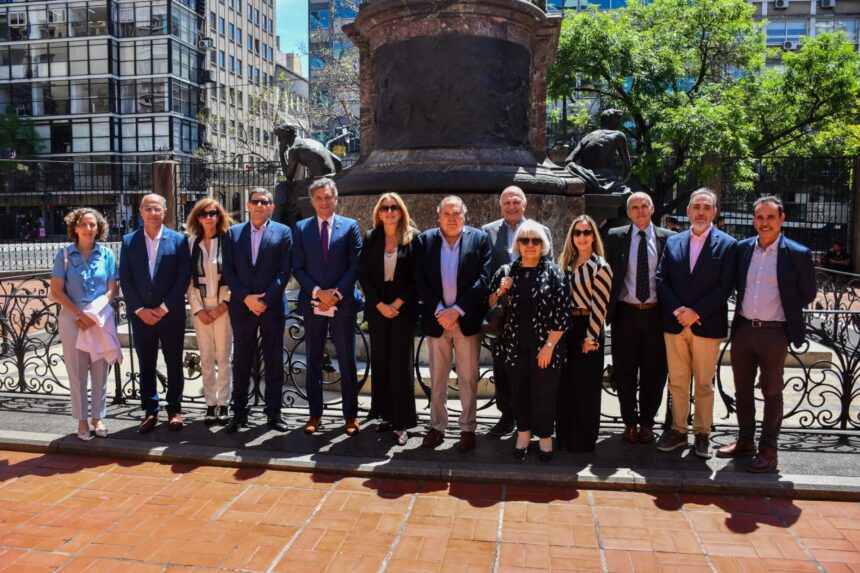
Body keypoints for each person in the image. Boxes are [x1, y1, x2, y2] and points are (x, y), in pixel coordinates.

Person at [717, 196, 816, 472]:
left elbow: (808, 293)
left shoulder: (797, 253)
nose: (765, 223)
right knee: (742, 389)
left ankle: (769, 450)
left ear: (782, 219)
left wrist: (785, 310)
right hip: (744, 330)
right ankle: (745, 441)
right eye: (760, 217)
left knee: (771, 391)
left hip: (774, 333)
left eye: (770, 217)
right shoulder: (742, 249)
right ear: (753, 220)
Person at [655, 188, 737, 458]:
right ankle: (678, 430)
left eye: (706, 207)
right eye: (697, 207)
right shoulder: (673, 242)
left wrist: (696, 312)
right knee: (677, 381)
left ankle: (702, 434)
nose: (701, 212)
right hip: (675, 322)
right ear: (688, 211)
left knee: (703, 383)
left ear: (714, 212)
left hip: (706, 324)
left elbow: (725, 286)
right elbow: (661, 279)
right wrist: (679, 310)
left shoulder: (728, 244)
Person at [414, 196, 491, 452]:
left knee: (468, 378)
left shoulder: (479, 239)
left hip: (466, 320)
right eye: (446, 213)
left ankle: (468, 428)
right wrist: (441, 311)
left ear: (464, 215)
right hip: (437, 320)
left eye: (456, 213)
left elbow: (483, 279)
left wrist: (456, 311)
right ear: (438, 216)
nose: (451, 218)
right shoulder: (425, 240)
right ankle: (437, 425)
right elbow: (420, 280)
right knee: (438, 376)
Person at [488, 221, 568, 461]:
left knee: (544, 394)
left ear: (543, 245)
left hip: (545, 347)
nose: (530, 245)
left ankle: (544, 437)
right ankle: (523, 434)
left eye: (536, 241)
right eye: (525, 240)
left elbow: (562, 314)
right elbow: (488, 304)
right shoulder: (506, 271)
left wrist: (549, 346)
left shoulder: (554, 272)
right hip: (513, 346)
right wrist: (500, 291)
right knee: (518, 393)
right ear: (518, 244)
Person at [293, 177, 363, 436]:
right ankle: (315, 414)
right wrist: (318, 293)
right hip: (313, 303)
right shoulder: (301, 228)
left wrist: (336, 294)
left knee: (347, 361)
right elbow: (297, 266)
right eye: (319, 198)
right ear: (312, 201)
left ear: (336, 198)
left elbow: (355, 264)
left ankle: (351, 416)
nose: (324, 202)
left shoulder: (350, 226)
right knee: (313, 360)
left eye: (328, 197)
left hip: (342, 304)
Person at [481, 186, 553, 436]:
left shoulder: (540, 230)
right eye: (507, 202)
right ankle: (506, 415)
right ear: (500, 205)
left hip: (533, 312)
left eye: (516, 202)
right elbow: (485, 270)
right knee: (502, 367)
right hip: (502, 313)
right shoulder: (487, 232)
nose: (511, 206)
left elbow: (548, 267)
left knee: (532, 368)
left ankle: (531, 419)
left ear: (525, 204)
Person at [604, 192, 675, 445]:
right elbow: (607, 273)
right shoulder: (615, 237)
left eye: (644, 206)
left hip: (656, 314)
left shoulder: (669, 239)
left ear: (652, 209)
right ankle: (630, 423)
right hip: (625, 313)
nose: (640, 210)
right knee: (625, 371)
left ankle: (647, 423)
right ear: (628, 212)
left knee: (654, 372)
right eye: (635, 207)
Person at [222, 188, 293, 433]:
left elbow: (285, 271)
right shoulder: (233, 233)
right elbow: (229, 271)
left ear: (272, 206)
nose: (260, 205)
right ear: (248, 205)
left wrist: (265, 299)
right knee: (241, 361)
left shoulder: (283, 232)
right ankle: (239, 412)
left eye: (265, 202)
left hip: (272, 307)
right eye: (255, 201)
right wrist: (246, 298)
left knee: (274, 361)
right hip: (242, 307)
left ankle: (274, 413)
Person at [120, 194, 191, 433]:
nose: (153, 213)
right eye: (148, 208)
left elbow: (183, 276)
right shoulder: (129, 241)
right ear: (141, 211)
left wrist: (164, 307)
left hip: (170, 314)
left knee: (174, 362)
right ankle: (151, 410)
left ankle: (174, 409)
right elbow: (126, 278)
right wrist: (140, 310)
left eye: (157, 208)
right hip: (141, 316)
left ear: (165, 211)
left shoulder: (179, 240)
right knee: (146, 362)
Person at [50, 208, 120, 441]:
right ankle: (82, 420)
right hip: (73, 320)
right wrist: (79, 314)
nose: (89, 229)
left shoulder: (107, 254)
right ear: (75, 228)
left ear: (99, 228)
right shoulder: (64, 255)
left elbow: (112, 290)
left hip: (99, 319)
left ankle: (97, 418)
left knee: (100, 370)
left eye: (93, 225)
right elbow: (56, 291)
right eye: (84, 224)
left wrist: (94, 313)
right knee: (77, 372)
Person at [357, 193, 419, 445]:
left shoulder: (413, 238)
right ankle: (385, 415)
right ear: (379, 213)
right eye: (385, 208)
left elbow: (417, 276)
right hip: (378, 307)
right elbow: (363, 273)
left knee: (400, 364)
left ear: (401, 211)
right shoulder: (371, 237)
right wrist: (379, 304)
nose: (390, 211)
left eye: (394, 207)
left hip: (403, 307)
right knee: (381, 361)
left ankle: (402, 422)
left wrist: (397, 303)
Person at [556, 215, 613, 452]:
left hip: (588, 327)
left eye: (586, 232)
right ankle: (565, 436)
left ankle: (583, 440)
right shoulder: (566, 262)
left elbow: (600, 306)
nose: (582, 237)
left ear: (593, 236)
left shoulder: (601, 266)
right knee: (566, 385)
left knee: (585, 387)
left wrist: (591, 338)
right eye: (577, 232)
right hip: (566, 328)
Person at [186, 198, 234, 426]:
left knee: (223, 357)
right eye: (204, 214)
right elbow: (188, 280)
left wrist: (224, 305)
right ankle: (210, 404)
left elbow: (235, 275)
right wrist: (198, 310)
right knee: (206, 357)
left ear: (219, 216)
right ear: (197, 218)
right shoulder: (191, 243)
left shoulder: (228, 241)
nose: (209, 218)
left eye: (213, 213)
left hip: (224, 308)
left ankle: (224, 403)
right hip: (201, 308)